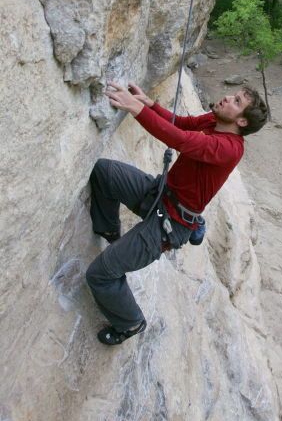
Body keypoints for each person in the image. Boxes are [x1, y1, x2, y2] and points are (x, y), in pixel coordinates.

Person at [86, 80, 267, 346]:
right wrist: (151, 105)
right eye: (234, 95)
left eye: (237, 102)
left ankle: (130, 322)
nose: (228, 97)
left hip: (170, 223)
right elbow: (181, 123)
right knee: (104, 172)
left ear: (241, 122)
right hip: (160, 194)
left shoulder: (228, 148)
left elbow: (178, 139)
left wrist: (136, 108)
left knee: (99, 274)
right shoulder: (214, 120)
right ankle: (109, 230)